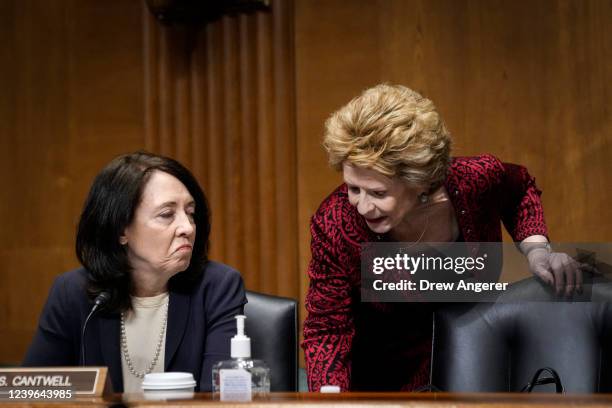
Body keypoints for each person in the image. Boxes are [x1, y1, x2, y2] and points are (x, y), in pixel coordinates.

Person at [302, 84, 584, 392]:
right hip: (386, 384)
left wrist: (537, 250)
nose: (363, 206)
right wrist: (330, 400)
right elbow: (327, 329)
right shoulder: (336, 222)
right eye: (353, 188)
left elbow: (519, 190)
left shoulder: (475, 181)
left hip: (478, 370)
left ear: (419, 182)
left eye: (379, 193)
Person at [23, 151, 246, 393]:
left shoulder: (217, 286)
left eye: (190, 213)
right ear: (121, 230)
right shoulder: (73, 293)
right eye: (167, 214)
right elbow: (30, 393)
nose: (187, 227)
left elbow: (219, 399)